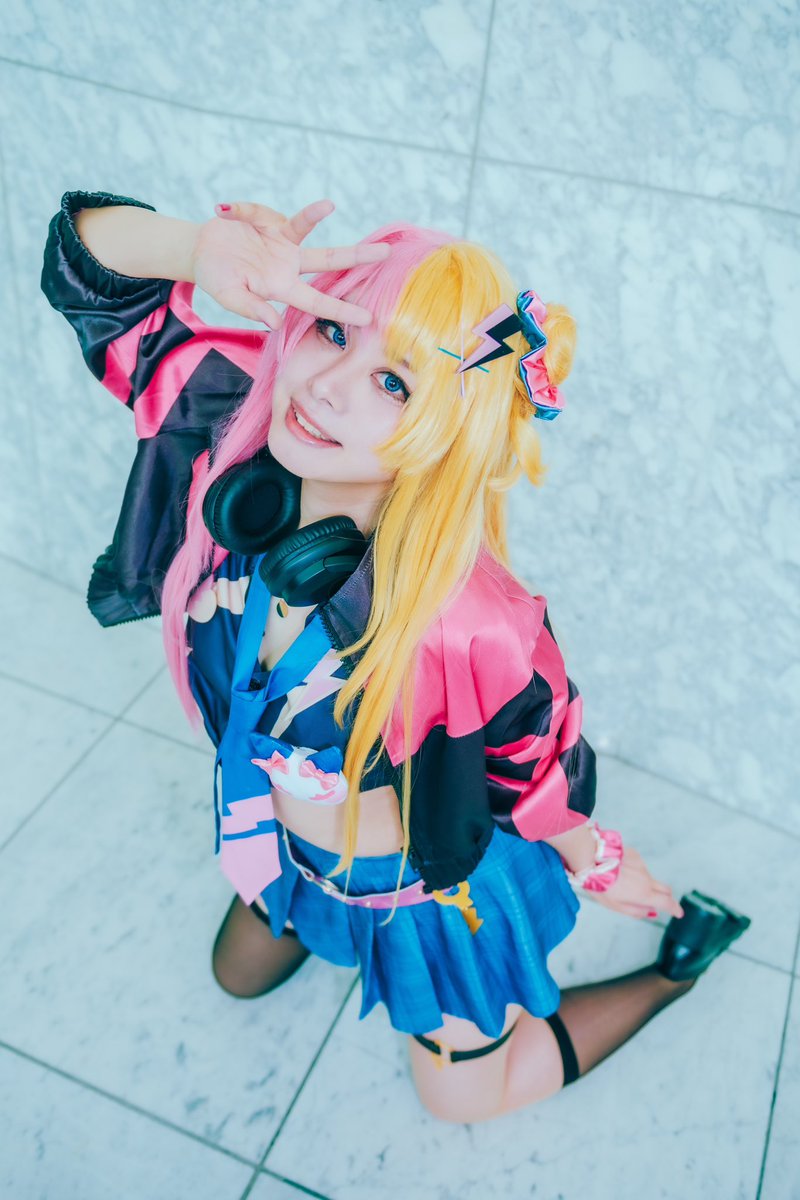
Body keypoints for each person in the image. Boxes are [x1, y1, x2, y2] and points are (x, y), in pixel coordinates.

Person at [40, 189, 751, 1125]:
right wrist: (198, 249)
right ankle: (301, 905)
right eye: (334, 332)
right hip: (278, 837)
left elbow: (535, 767)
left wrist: (597, 857)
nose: (328, 385)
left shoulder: (472, 625)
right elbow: (88, 270)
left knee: (463, 1099)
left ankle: (675, 976)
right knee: (234, 977)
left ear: (447, 432)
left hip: (418, 893)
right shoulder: (222, 433)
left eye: (395, 383)